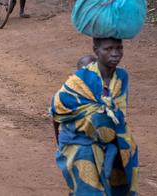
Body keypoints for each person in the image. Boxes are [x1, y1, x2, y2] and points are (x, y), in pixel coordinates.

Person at [50, 38, 138, 195]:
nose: (115, 53)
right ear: (96, 50)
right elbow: (57, 110)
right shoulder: (79, 81)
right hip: (81, 146)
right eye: (108, 49)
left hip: (115, 144)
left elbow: (120, 114)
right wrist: (61, 144)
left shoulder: (122, 77)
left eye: (119, 48)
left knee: (117, 188)